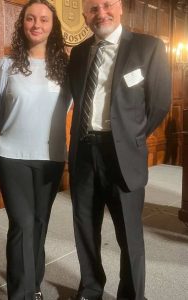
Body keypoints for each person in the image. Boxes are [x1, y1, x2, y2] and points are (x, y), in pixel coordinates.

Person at [68, 0, 171, 299]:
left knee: (129, 235)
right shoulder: (78, 52)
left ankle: (132, 295)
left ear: (121, 7)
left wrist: (132, 137)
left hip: (122, 154)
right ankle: (90, 289)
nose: (101, 13)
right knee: (85, 228)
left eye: (107, 4)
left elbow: (160, 102)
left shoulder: (148, 47)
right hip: (85, 152)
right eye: (93, 8)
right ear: (85, 14)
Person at [0, 0, 70, 299]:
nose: (36, 24)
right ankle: (20, 293)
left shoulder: (66, 67)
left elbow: (70, 108)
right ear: (22, 24)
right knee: (22, 224)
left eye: (43, 19)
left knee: (40, 222)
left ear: (53, 26)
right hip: (12, 156)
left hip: (51, 158)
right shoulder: (6, 65)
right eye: (30, 19)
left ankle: (34, 285)